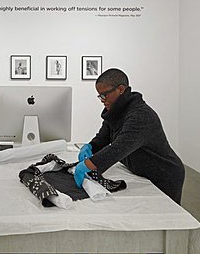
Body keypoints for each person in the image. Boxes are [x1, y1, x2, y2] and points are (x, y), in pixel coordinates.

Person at [74, 68, 185, 206]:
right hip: (142, 173)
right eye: (99, 96)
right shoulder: (115, 111)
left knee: (165, 215)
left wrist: (86, 165)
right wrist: (90, 146)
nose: (102, 100)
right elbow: (103, 137)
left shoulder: (141, 116)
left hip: (163, 175)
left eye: (104, 95)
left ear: (120, 89)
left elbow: (118, 148)